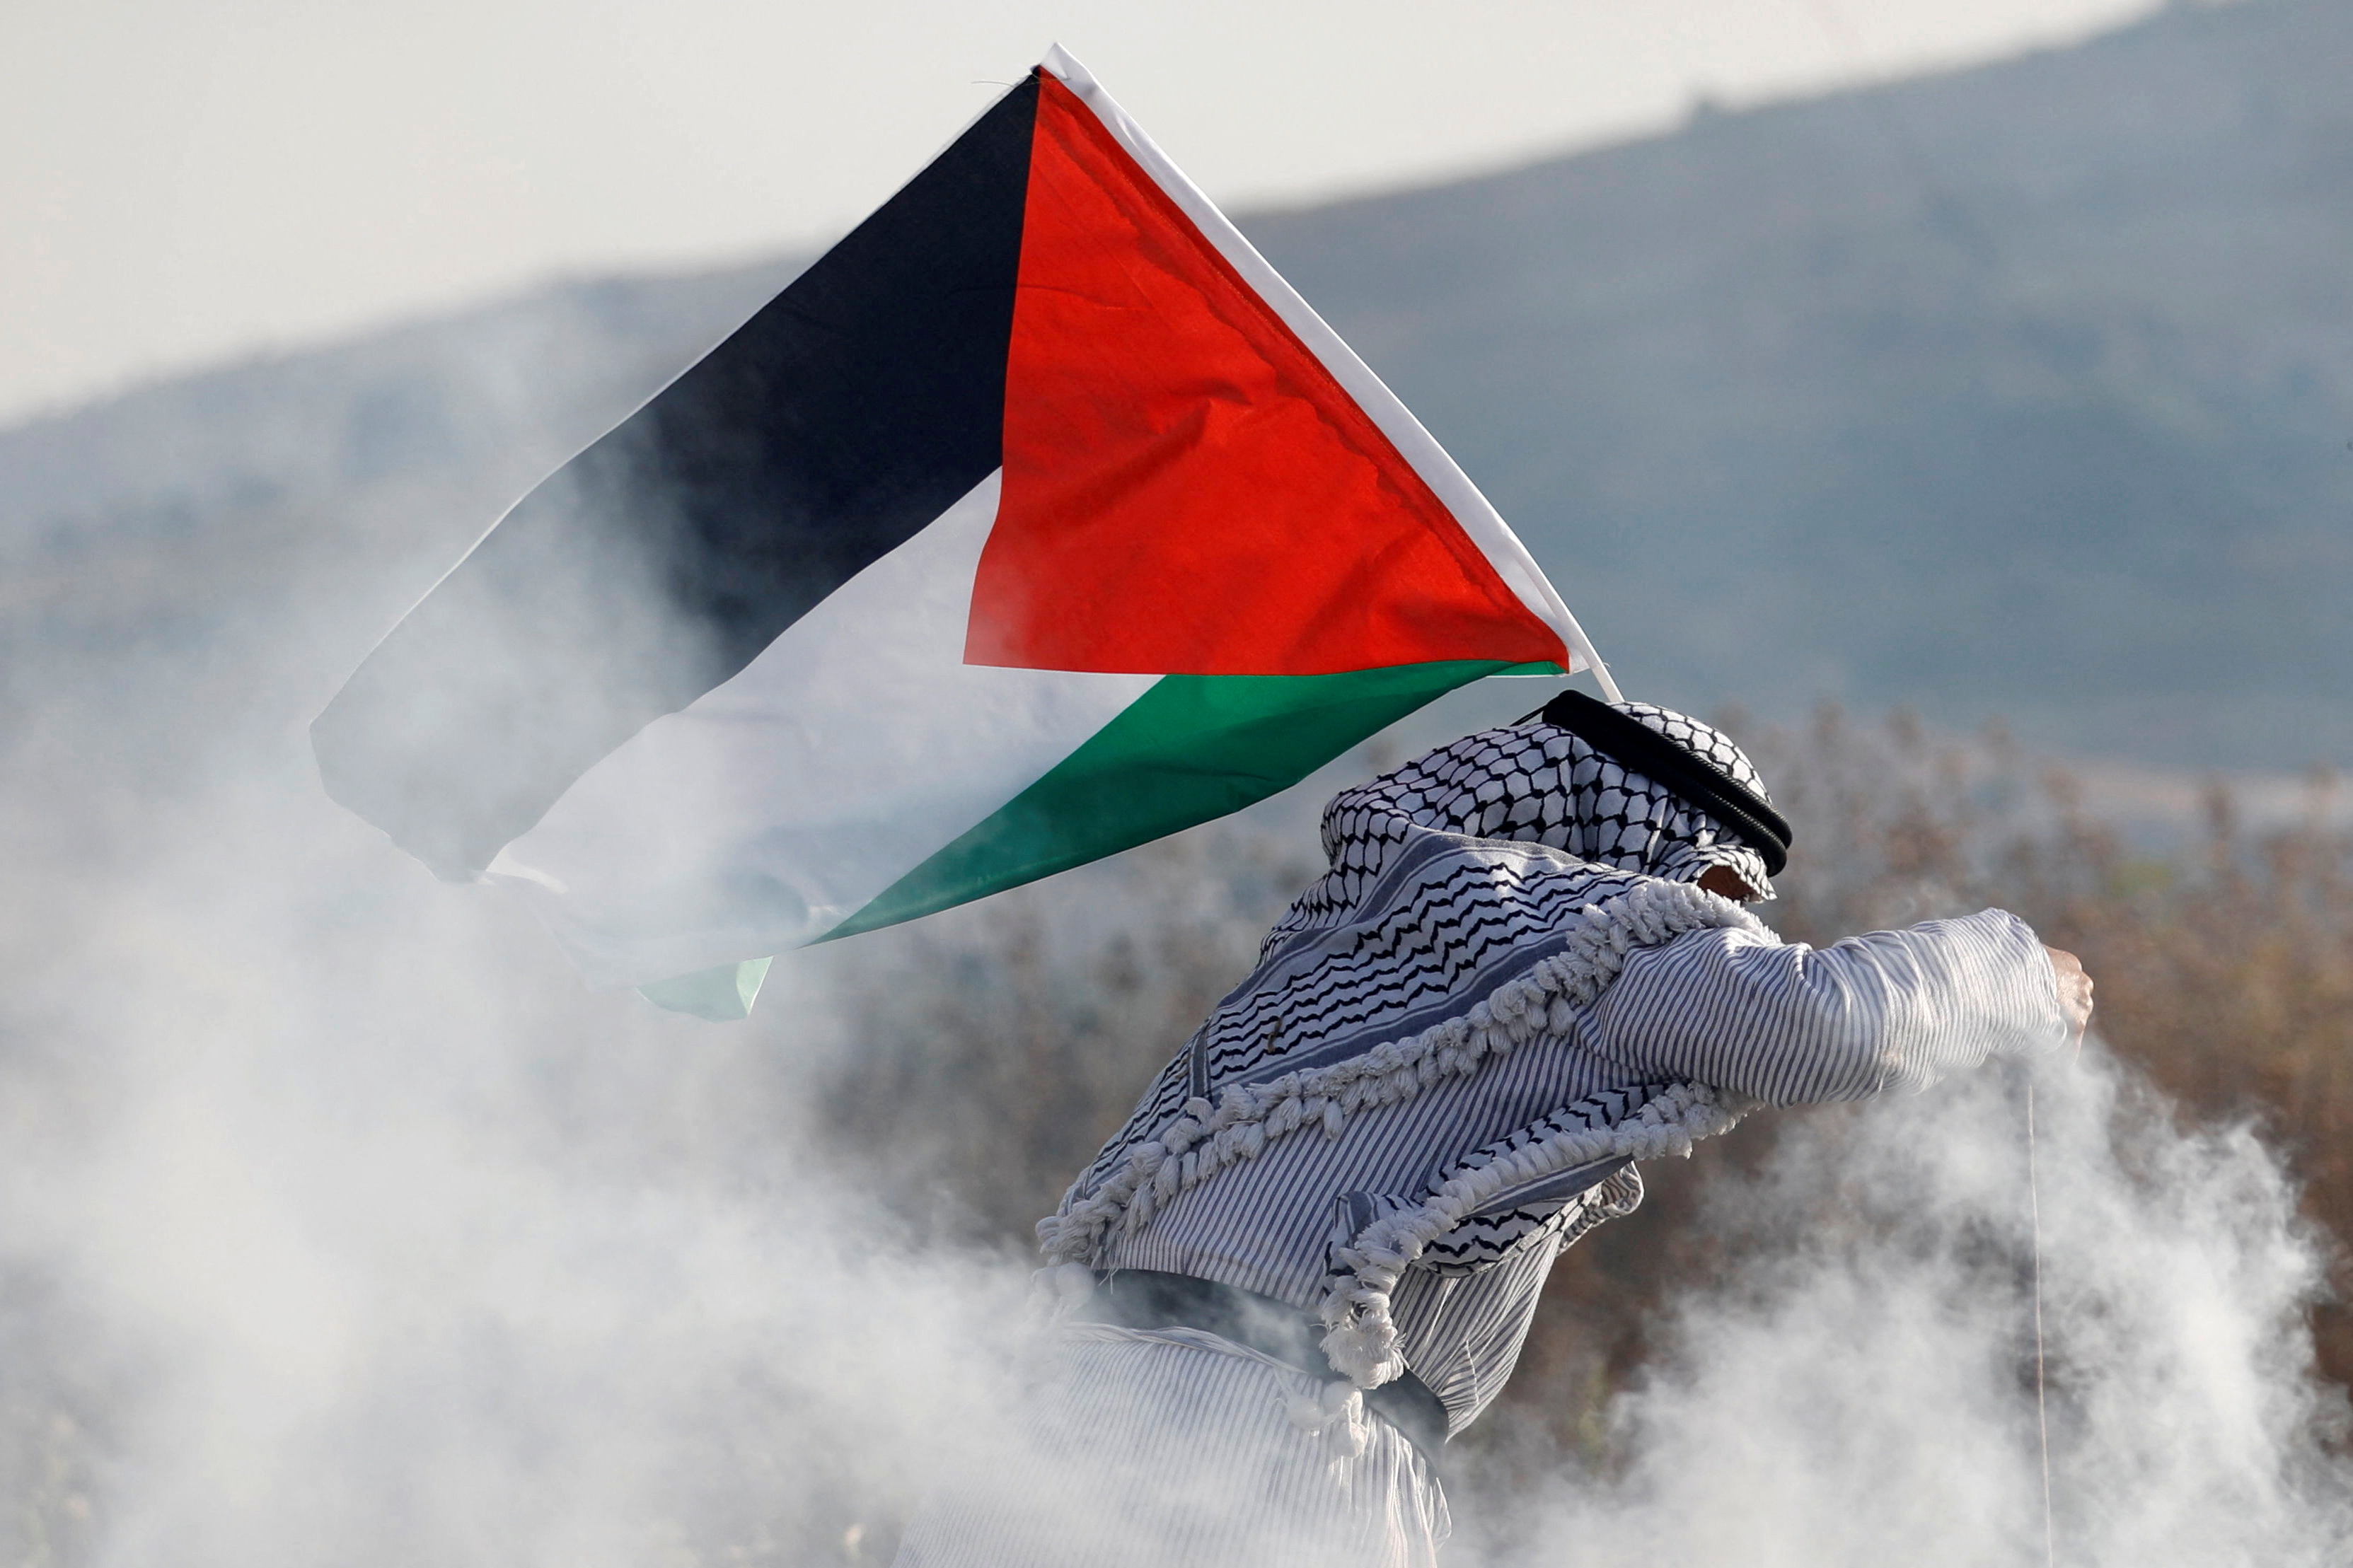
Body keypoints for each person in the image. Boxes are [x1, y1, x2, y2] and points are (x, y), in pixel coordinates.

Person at [892, 693, 2093, 1567]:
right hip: (1263, 1447)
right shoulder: (1586, 932)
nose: (1727, 921)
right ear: (1644, 843)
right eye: (1725, 886)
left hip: (1040, 1424)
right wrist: (2018, 969)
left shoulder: (1353, 944)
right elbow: (1824, 1023)